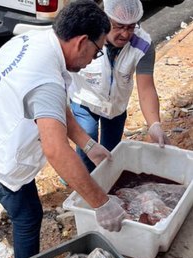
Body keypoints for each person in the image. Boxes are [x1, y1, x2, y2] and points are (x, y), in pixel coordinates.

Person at [0, 0, 126, 258]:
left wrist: (89, 145)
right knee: (28, 217)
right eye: (97, 51)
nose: (94, 58)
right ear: (81, 42)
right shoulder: (46, 79)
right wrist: (101, 203)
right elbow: (56, 151)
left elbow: (56, 107)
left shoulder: (36, 39)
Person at [69, 0, 170, 173]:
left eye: (131, 27)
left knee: (112, 152)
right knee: (88, 145)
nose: (125, 34)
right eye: (119, 26)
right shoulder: (86, 36)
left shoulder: (143, 44)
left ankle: (107, 183)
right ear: (105, 19)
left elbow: (146, 88)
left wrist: (154, 125)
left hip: (116, 106)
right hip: (84, 99)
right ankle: (85, 180)